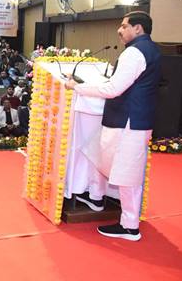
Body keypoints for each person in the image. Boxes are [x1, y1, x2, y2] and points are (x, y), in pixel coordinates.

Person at [64, 12, 161, 241]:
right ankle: (96, 197)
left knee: (127, 174)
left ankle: (129, 227)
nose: (119, 30)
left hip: (128, 121)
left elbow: (113, 89)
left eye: (124, 26)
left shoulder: (134, 52)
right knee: (99, 154)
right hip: (133, 118)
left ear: (138, 28)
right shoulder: (152, 49)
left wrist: (76, 87)